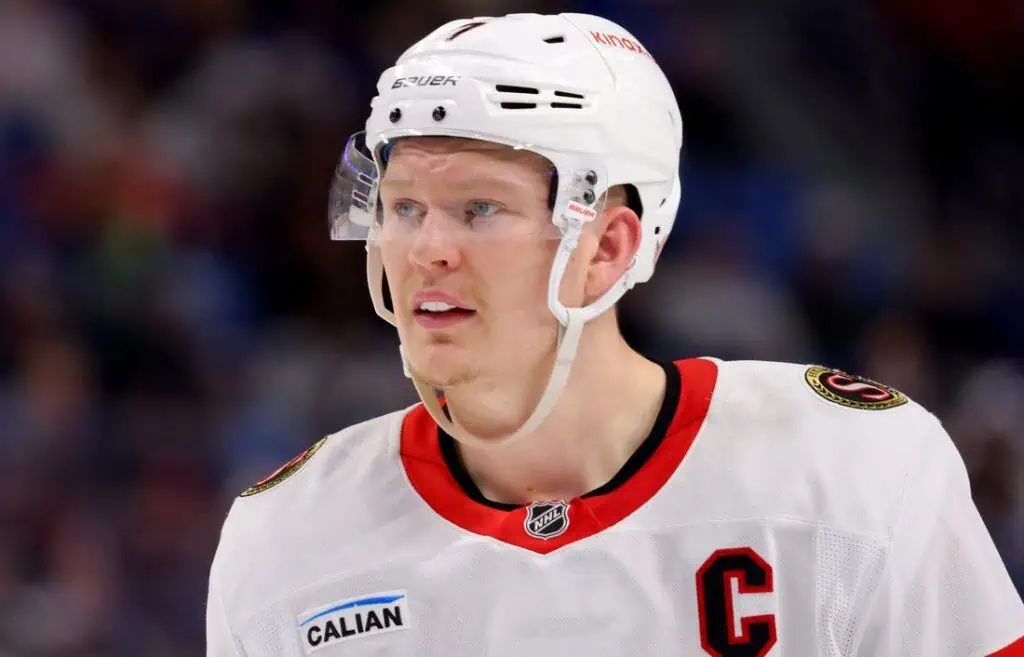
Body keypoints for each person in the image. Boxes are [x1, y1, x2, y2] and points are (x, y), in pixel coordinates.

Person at [206, 12, 1024, 656]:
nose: (425, 250)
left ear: (607, 247)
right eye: (404, 206)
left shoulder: (856, 469)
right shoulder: (285, 538)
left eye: (479, 208)